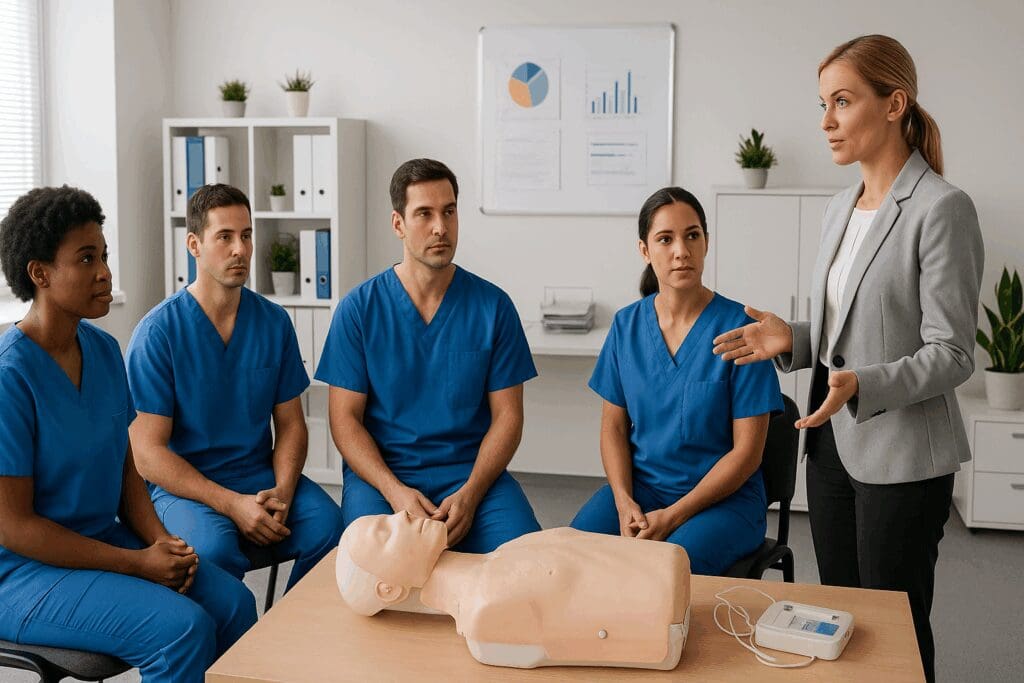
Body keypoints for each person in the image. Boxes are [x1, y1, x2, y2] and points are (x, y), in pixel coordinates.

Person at [711, 35, 983, 682]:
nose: (826, 120)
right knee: (839, 617)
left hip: (903, 458)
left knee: (895, 629)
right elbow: (851, 331)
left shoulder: (942, 209)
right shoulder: (840, 207)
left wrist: (862, 381)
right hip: (831, 448)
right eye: (823, 102)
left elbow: (951, 353)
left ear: (894, 104)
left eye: (842, 101)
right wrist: (796, 340)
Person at [0, 186, 256, 682]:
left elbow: (126, 469)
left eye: (105, 255)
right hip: (23, 574)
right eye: (87, 258)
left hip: (104, 541)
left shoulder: (103, 351)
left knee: (234, 604)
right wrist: (136, 563)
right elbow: (14, 526)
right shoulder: (10, 377)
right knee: (182, 630)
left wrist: (163, 544)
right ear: (41, 273)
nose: (105, 273)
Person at [316, 158, 540, 552]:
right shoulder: (360, 310)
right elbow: (344, 421)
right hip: (385, 477)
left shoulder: (493, 307)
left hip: (473, 476)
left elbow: (508, 416)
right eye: (424, 214)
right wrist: (395, 492)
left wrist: (471, 494)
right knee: (371, 568)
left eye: (449, 212)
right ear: (398, 224)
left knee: (527, 564)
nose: (441, 227)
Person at [126, 184, 342, 591]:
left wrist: (283, 489)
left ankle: (293, 636)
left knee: (330, 530)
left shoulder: (273, 323)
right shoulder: (158, 334)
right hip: (187, 488)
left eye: (246, 235)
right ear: (194, 244)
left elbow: (292, 425)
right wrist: (231, 505)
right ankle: (237, 650)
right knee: (214, 549)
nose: (239, 249)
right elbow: (148, 454)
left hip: (260, 477)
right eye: (224, 237)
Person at [569, 187, 783, 576]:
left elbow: (747, 454)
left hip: (725, 502)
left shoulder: (742, 331)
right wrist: (623, 500)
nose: (681, 250)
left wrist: (672, 516)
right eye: (665, 239)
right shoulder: (626, 326)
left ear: (706, 243)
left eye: (692, 235)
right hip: (644, 489)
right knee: (571, 554)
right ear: (645, 250)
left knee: (662, 571)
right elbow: (612, 428)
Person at [336, 512, 691, 670]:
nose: (401, 515)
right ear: (389, 590)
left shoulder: (503, 557)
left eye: (387, 517)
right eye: (384, 532)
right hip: (660, 608)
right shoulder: (484, 612)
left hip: (664, 577)